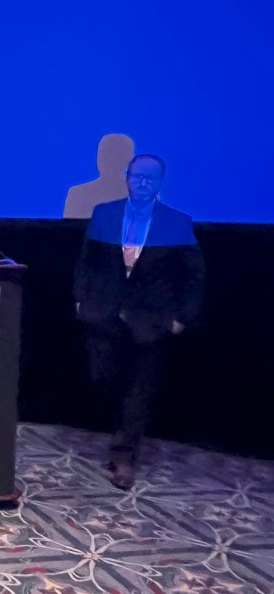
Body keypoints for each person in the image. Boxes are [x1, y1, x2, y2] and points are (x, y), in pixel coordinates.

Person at [73, 154, 205, 489]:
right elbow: (87, 261)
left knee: (138, 392)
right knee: (103, 378)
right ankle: (118, 430)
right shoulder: (105, 213)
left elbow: (193, 274)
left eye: (150, 178)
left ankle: (124, 457)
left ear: (160, 182)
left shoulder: (176, 222)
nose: (142, 183)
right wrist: (80, 298)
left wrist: (182, 317)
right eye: (137, 176)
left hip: (151, 320)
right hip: (104, 313)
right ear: (127, 177)